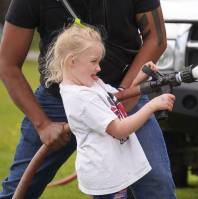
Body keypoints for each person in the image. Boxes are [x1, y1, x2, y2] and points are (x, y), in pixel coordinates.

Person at [0, 0, 176, 198]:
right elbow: (7, 64)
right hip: (57, 102)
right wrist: (42, 124)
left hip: (119, 94)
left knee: (156, 184)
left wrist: (126, 92)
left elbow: (157, 38)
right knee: (19, 188)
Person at [44, 24, 175, 199]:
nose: (98, 68)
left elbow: (116, 98)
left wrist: (140, 78)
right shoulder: (81, 98)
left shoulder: (92, 84)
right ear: (72, 61)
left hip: (115, 170)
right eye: (93, 62)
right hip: (107, 179)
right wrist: (151, 106)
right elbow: (118, 129)